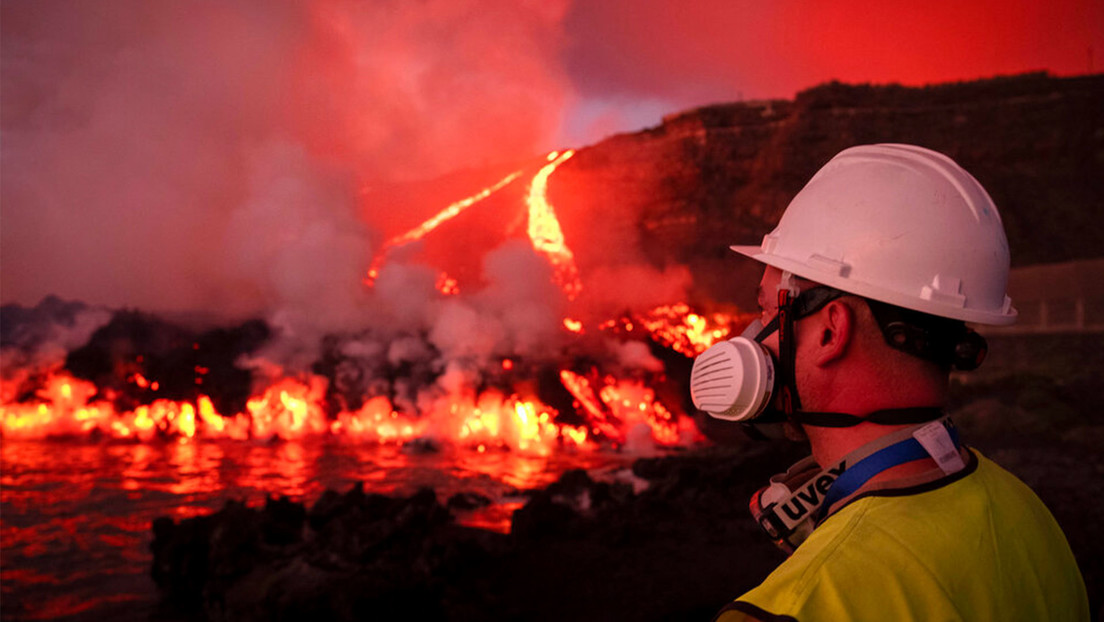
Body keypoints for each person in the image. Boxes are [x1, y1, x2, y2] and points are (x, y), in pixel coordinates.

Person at [690, 144, 1089, 621]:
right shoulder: (1027, 514)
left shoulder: (799, 606)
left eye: (765, 311)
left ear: (830, 332)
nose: (754, 335)